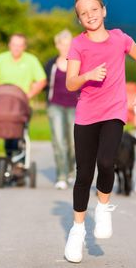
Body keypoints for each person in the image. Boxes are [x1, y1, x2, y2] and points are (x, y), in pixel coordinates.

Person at [64, 0, 136, 263]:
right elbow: (70, 83)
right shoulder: (78, 45)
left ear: (104, 11)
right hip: (86, 114)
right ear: (79, 19)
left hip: (114, 111)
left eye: (94, 9)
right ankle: (77, 231)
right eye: (83, 13)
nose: (90, 15)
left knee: (107, 160)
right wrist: (88, 75)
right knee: (84, 173)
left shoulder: (119, 39)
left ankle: (102, 207)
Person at [0, 34, 47, 159]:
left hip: (21, 104)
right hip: (2, 103)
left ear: (24, 47)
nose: (16, 48)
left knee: (19, 133)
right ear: (9, 45)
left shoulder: (31, 60)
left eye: (20, 45)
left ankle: (19, 160)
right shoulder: (0, 59)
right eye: (14, 45)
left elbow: (42, 80)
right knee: (5, 129)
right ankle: (10, 157)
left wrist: (28, 95)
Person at [44, 29, 78, 190]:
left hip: (75, 106)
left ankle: (72, 171)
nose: (65, 47)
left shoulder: (78, 63)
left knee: (73, 142)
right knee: (58, 141)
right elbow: (44, 84)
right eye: (62, 44)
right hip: (55, 106)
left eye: (68, 44)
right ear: (57, 45)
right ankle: (61, 175)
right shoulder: (51, 64)